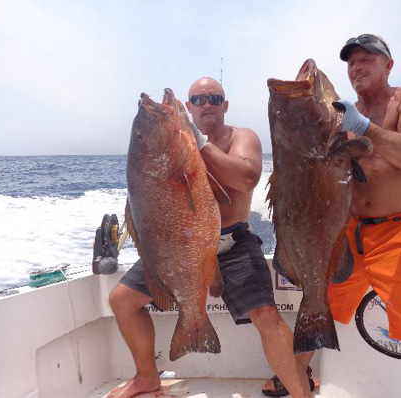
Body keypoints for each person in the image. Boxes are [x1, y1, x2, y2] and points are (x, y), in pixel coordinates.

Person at [263, 34, 401, 398]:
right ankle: (294, 384)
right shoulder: (338, 114)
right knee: (314, 310)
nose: (357, 67)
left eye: (367, 59)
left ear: (387, 65)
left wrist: (366, 128)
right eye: (351, 62)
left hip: (396, 235)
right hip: (343, 234)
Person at [108, 77, 313, 398]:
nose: (207, 104)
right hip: (178, 247)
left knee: (266, 314)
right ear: (188, 107)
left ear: (225, 106)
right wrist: (186, 142)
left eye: (215, 98)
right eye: (199, 99)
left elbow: (246, 179)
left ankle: (302, 394)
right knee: (121, 300)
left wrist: (199, 143)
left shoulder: (241, 137)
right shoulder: (172, 151)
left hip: (233, 244)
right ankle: (146, 377)